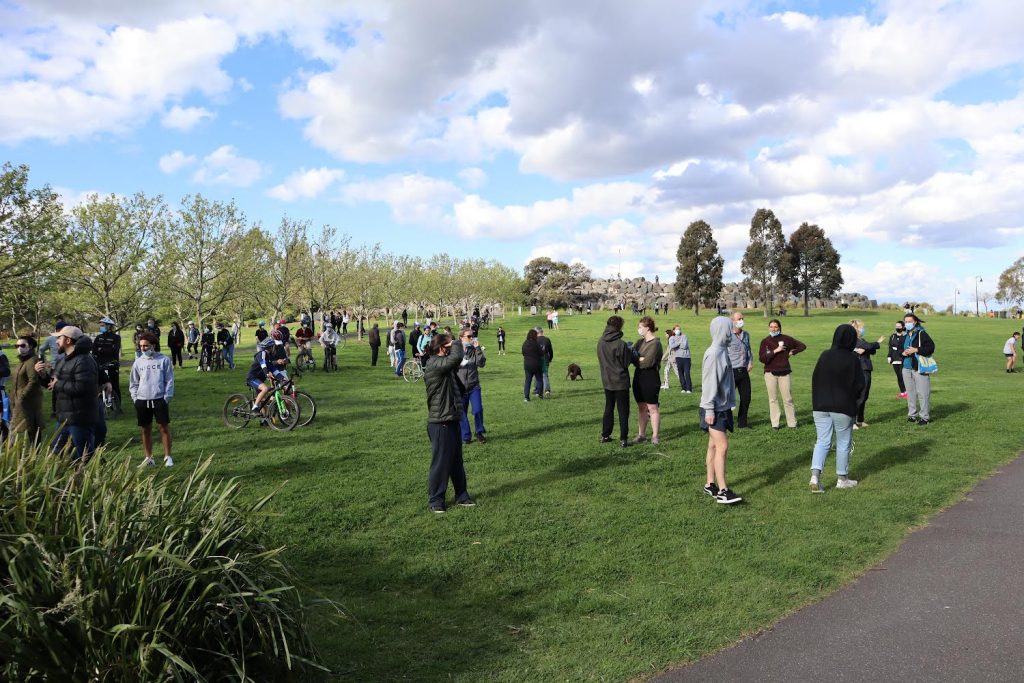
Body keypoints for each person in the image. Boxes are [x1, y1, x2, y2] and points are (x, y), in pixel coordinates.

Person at [809, 324, 866, 492]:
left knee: (822, 441)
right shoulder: (852, 359)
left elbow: (815, 378)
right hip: (842, 406)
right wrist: (854, 399)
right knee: (843, 442)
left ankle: (815, 476)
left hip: (820, 405)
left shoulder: (824, 355)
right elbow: (860, 384)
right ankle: (842, 478)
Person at [423, 332, 474, 513]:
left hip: (451, 419)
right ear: (442, 348)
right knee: (441, 462)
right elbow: (456, 357)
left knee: (455, 461)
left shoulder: (445, 366)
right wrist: (459, 343)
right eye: (449, 346)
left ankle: (462, 495)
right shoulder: (434, 363)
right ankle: (435, 499)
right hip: (439, 422)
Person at [37, 326, 98, 462]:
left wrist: (57, 384)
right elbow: (52, 383)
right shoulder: (63, 360)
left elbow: (82, 387)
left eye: (59, 337)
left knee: (85, 455)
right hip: (64, 418)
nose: (57, 341)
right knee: (56, 451)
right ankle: (68, 478)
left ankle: (93, 479)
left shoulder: (84, 361)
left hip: (80, 418)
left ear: (68, 340)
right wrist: (42, 375)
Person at [700, 317, 742, 504]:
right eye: (729, 328)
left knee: (713, 445)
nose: (732, 331)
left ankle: (710, 484)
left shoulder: (722, 351)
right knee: (722, 446)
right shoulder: (715, 353)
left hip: (721, 407)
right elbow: (709, 383)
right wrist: (709, 409)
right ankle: (723, 490)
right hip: (714, 409)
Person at [129, 332, 175, 468]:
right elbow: (133, 382)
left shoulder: (163, 360)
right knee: (145, 429)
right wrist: (135, 398)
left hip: (159, 399)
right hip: (142, 400)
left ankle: (168, 457)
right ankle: (148, 458)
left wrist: (166, 397)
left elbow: (169, 380)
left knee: (164, 428)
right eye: (141, 346)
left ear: (153, 345)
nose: (143, 348)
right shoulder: (138, 362)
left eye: (146, 346)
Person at [758, 319, 807, 430]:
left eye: (776, 327)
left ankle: (792, 424)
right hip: (770, 373)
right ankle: (775, 424)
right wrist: (776, 350)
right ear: (768, 328)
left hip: (784, 373)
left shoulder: (786, 339)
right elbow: (762, 358)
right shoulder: (765, 341)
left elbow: (802, 346)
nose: (773, 329)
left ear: (779, 328)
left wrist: (792, 352)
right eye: (771, 327)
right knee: (773, 399)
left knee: (788, 399)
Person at [597, 315, 632, 447]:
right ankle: (624, 438)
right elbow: (625, 363)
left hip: (607, 380)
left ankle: (606, 435)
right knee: (623, 410)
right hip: (620, 381)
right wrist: (629, 351)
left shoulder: (601, 342)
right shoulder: (620, 344)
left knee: (609, 408)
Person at [631, 316, 664, 444]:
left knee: (652, 407)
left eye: (640, 327)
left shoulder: (656, 343)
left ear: (647, 328)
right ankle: (641, 435)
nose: (638, 329)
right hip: (638, 377)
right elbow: (632, 357)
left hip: (650, 377)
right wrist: (638, 359)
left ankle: (655, 436)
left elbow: (648, 362)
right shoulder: (639, 342)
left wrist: (639, 359)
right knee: (641, 407)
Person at [247, 332, 289, 423]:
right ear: (271, 347)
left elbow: (274, 370)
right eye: (273, 346)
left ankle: (264, 420)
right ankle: (254, 408)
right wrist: (267, 374)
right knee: (265, 388)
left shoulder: (269, 357)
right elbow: (263, 365)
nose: (275, 348)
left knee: (264, 399)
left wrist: (283, 378)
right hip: (252, 378)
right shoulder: (262, 354)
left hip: (259, 380)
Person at [902, 313, 936, 425]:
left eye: (909, 321)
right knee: (910, 393)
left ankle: (924, 417)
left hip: (919, 367)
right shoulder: (905, 334)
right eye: (906, 321)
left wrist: (916, 350)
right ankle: (912, 415)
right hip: (906, 367)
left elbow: (931, 347)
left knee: (923, 393)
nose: (907, 323)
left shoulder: (922, 333)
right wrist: (902, 353)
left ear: (915, 322)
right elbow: (899, 348)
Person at [10, 335, 44, 445]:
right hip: (19, 400)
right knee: (22, 427)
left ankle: (33, 454)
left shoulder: (31, 360)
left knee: (31, 427)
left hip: (28, 402)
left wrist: (22, 396)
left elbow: (33, 381)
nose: (19, 348)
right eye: (17, 345)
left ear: (30, 346)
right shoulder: (22, 361)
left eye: (23, 345)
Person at [850, 319, 884, 429]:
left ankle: (860, 420)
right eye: (860, 327)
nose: (862, 329)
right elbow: (869, 346)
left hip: (865, 368)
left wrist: (866, 349)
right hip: (859, 369)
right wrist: (877, 343)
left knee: (864, 395)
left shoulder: (861, 339)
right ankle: (852, 421)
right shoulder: (853, 340)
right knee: (858, 396)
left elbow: (871, 350)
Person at [457, 327, 487, 445]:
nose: (471, 338)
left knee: (478, 410)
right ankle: (466, 436)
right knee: (462, 414)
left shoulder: (474, 350)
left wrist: (478, 348)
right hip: (460, 388)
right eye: (469, 337)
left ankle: (479, 432)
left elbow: (481, 363)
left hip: (474, 386)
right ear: (461, 338)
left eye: (472, 336)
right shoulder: (456, 350)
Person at [728, 312, 753, 429]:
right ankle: (727, 422)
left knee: (746, 397)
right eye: (739, 319)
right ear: (732, 321)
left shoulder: (746, 334)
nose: (741, 321)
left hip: (743, 371)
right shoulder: (727, 335)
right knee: (727, 399)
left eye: (742, 318)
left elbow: (748, 349)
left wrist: (750, 361)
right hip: (731, 371)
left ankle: (742, 423)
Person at [92, 317, 122, 402]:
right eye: (100, 325)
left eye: (103, 325)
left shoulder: (116, 337)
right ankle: (102, 404)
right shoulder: (98, 337)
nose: (101, 327)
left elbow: (115, 351)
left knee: (115, 385)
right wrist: (106, 350)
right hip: (100, 365)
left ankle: (117, 406)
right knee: (101, 385)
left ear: (109, 326)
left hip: (112, 365)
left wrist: (101, 349)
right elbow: (94, 350)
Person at [887, 321, 908, 398]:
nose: (897, 328)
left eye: (899, 326)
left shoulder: (906, 336)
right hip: (894, 358)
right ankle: (902, 392)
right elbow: (890, 347)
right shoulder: (892, 336)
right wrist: (889, 356)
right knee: (899, 376)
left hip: (903, 358)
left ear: (903, 327)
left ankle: (907, 391)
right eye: (896, 326)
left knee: (903, 375)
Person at [521, 329, 544, 401]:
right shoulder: (536, 344)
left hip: (527, 364)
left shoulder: (525, 343)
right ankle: (540, 395)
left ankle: (526, 397)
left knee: (528, 381)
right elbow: (541, 353)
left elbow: (523, 353)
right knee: (539, 379)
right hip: (537, 364)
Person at [674, 324, 693, 393]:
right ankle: (683, 388)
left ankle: (689, 388)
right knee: (680, 373)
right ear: (674, 330)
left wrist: (677, 344)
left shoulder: (684, 336)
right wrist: (680, 343)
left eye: (679, 329)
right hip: (678, 357)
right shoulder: (672, 338)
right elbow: (672, 346)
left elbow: (684, 346)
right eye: (676, 329)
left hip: (686, 357)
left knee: (687, 373)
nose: (677, 330)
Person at [536, 327, 554, 396]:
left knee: (537, 375)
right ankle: (547, 390)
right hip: (545, 359)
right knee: (545, 375)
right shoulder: (547, 339)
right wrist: (550, 359)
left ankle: (538, 391)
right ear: (542, 332)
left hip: (537, 359)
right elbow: (550, 351)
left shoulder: (535, 340)